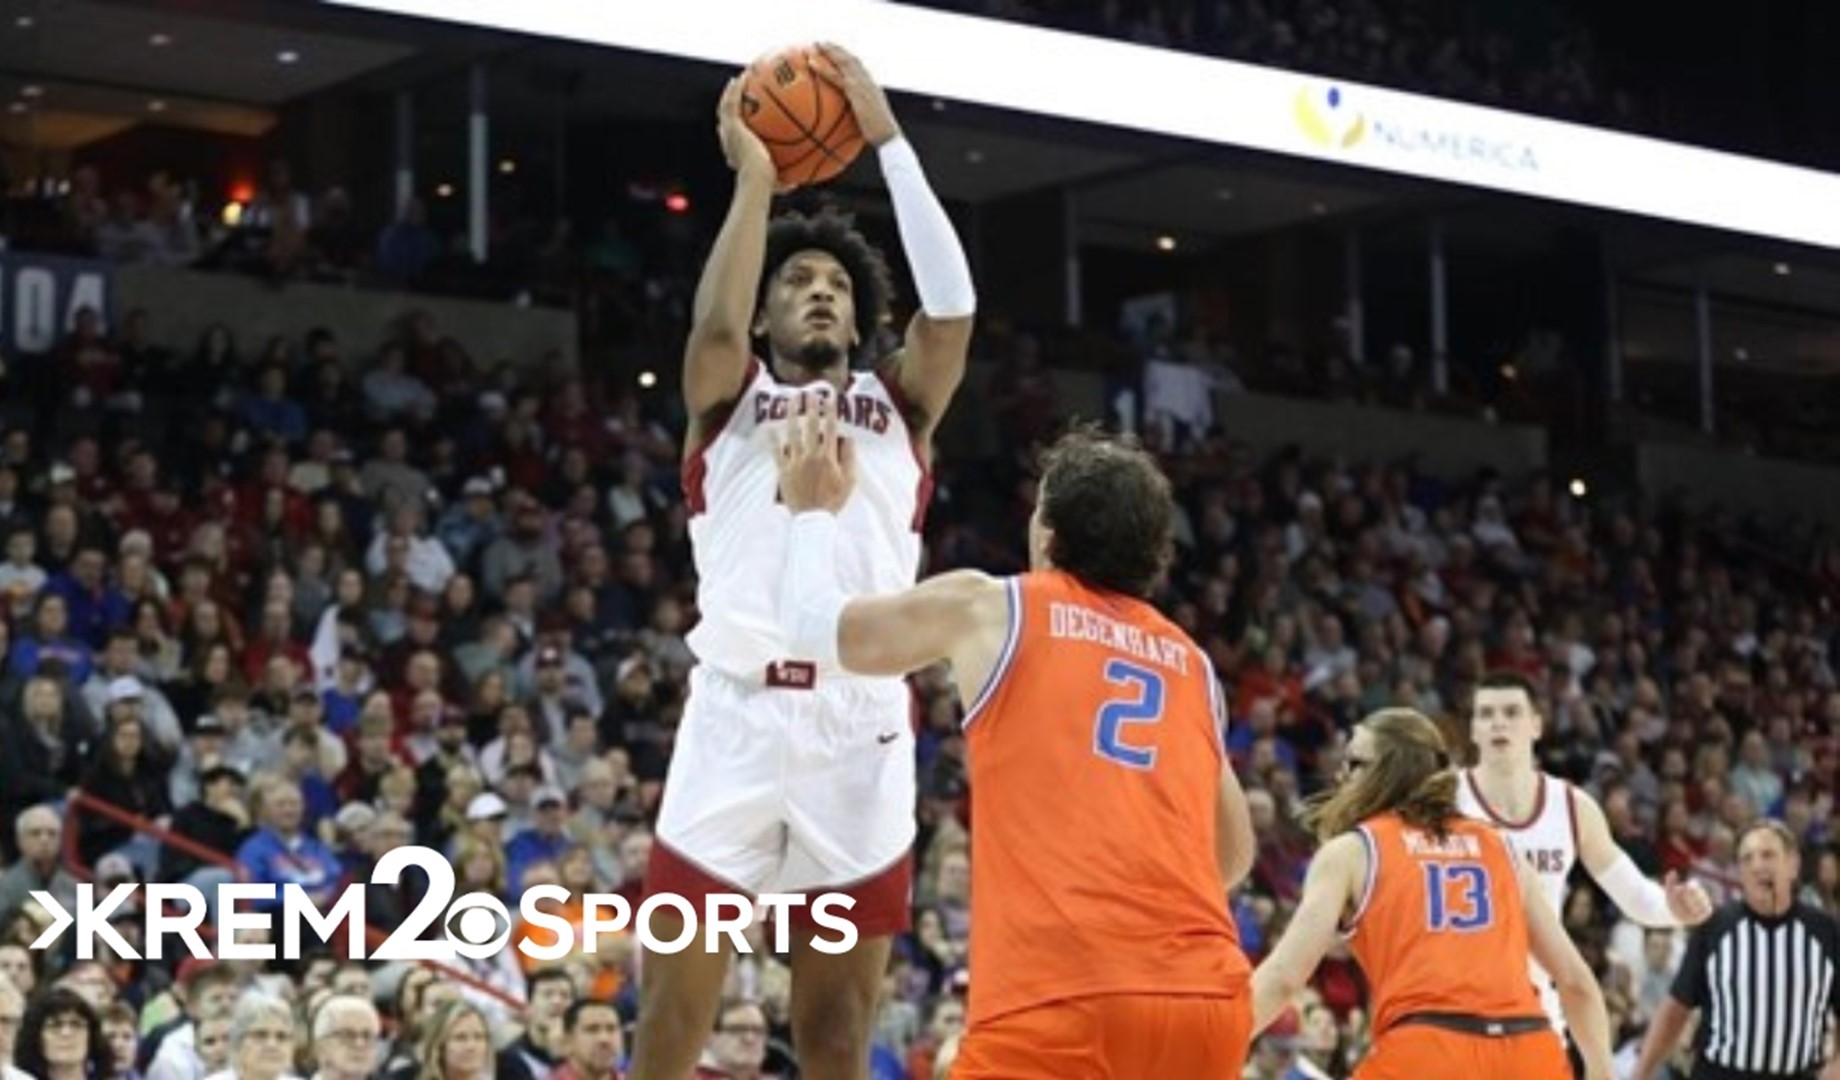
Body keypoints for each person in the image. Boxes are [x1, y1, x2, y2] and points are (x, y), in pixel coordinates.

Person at [632, 41, 976, 1080]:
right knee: (669, 1031)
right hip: (732, 719)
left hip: (857, 733)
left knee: (834, 1038)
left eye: (834, 282)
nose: (816, 293)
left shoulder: (898, 407)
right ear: (771, 312)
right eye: (797, 282)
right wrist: (756, 185)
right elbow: (716, 319)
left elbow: (953, 308)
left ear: (861, 315)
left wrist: (889, 142)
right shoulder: (725, 402)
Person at [769, 409, 1254, 1078]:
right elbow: (1232, 853)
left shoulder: (996, 606)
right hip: (1204, 1001)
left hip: (1059, 996)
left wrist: (810, 512)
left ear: (1048, 532)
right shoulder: (1192, 666)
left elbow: (810, 630)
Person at [1249, 708, 1612, 1079]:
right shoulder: (1504, 849)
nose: (1342, 775)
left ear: (1388, 772)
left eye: (1354, 762)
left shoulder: (1353, 851)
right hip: (1528, 1052)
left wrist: (1216, 1040)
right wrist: (1602, 1072)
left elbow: (1283, 977)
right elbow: (1575, 981)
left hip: (1428, 1051)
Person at [1458, 671, 1713, 1035]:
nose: (1498, 722)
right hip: (1454, 1010)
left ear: (1536, 725)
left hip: (1534, 1011)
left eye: (1512, 712)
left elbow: (1636, 896)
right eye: (1486, 714)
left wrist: (1672, 908)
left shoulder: (1571, 807)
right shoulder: (1441, 800)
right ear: (1473, 730)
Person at [1628, 820, 1840, 1080]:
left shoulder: (1825, 931)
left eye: (1768, 854)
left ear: (1793, 865)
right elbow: (1675, 1009)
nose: (1757, 865)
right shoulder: (1714, 928)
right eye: (1746, 858)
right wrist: (1640, 1074)